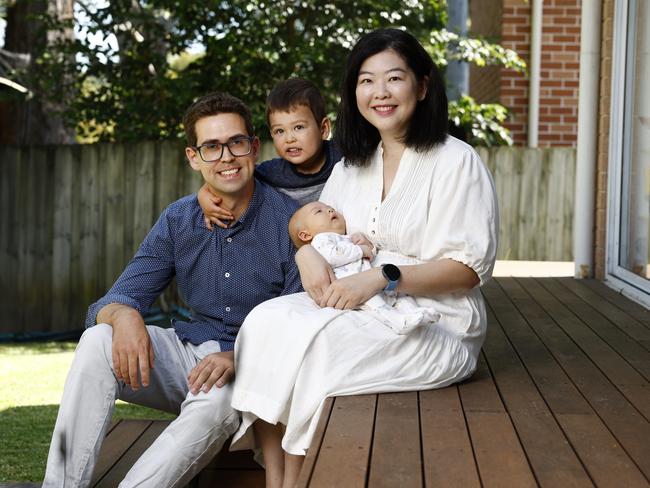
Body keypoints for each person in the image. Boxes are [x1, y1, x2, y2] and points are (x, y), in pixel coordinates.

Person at [229, 28, 499, 488]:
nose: (380, 92)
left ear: (423, 85)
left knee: (318, 349)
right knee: (262, 323)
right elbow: (319, 234)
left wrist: (383, 278)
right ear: (354, 92)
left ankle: (299, 480)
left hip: (437, 323)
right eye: (366, 80)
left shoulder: (457, 161)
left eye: (394, 78)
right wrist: (305, 257)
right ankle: (276, 480)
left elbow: (468, 270)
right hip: (358, 304)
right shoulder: (352, 165)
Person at [42, 92, 302, 488]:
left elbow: (303, 324)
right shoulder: (179, 219)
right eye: (211, 147)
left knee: (217, 398)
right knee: (98, 339)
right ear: (193, 157)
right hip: (190, 353)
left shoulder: (290, 222)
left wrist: (241, 356)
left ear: (253, 147)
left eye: (235, 143)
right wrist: (123, 314)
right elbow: (112, 299)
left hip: (252, 371)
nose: (226, 157)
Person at [198, 78, 342, 228]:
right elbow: (233, 175)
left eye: (298, 127)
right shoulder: (272, 172)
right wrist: (204, 195)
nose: (289, 139)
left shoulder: (342, 156)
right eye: (280, 131)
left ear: (324, 129)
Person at [289, 200, 440, 334]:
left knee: (399, 296)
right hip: (350, 286)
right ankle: (398, 322)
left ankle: (414, 312)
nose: (329, 210)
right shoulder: (320, 241)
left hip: (368, 279)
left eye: (329, 207)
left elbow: (370, 254)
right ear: (305, 235)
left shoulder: (346, 237)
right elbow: (333, 255)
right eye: (319, 211)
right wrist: (361, 250)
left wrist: (367, 245)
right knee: (376, 304)